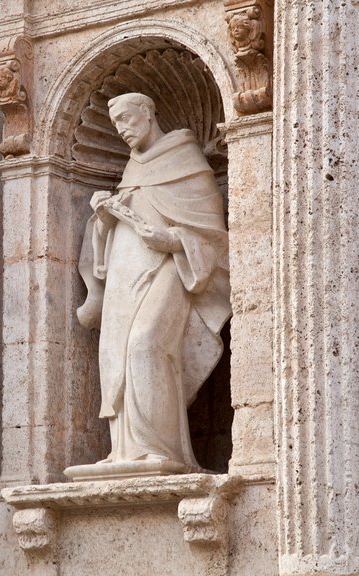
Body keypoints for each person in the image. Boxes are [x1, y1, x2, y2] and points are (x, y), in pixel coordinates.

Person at [75, 92, 231, 474]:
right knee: (118, 352)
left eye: (127, 119)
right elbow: (109, 240)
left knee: (146, 344)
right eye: (116, 125)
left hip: (172, 267)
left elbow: (214, 238)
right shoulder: (131, 169)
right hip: (125, 272)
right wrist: (103, 220)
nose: (123, 130)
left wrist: (172, 240)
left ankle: (161, 450)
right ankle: (125, 451)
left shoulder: (185, 159)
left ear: (148, 113)